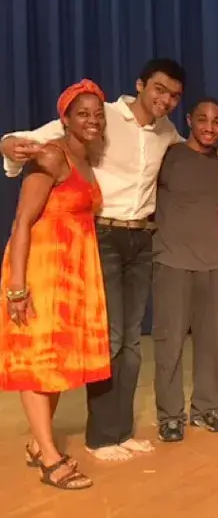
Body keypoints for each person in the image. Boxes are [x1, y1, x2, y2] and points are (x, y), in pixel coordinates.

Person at [1, 58, 186, 461]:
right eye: (159, 89)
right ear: (140, 85)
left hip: (140, 237)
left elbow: (191, 149)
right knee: (111, 338)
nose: (165, 99)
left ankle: (120, 432)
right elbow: (28, 142)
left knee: (132, 341)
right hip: (101, 235)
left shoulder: (167, 131)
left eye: (173, 95)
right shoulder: (101, 117)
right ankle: (101, 437)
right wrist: (5, 144)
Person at [0, 79, 109, 489]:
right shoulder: (51, 155)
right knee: (37, 363)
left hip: (73, 272)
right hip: (42, 269)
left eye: (97, 114)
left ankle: (36, 443)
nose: (92, 120)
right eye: (82, 113)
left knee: (58, 364)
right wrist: (16, 287)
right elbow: (22, 222)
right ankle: (49, 458)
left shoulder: (85, 159)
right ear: (63, 119)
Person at [151, 98, 218, 442]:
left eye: (217, 122)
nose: (210, 128)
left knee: (214, 343)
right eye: (203, 120)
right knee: (169, 344)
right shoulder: (168, 154)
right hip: (171, 261)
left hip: (212, 263)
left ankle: (206, 409)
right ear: (189, 120)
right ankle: (171, 416)